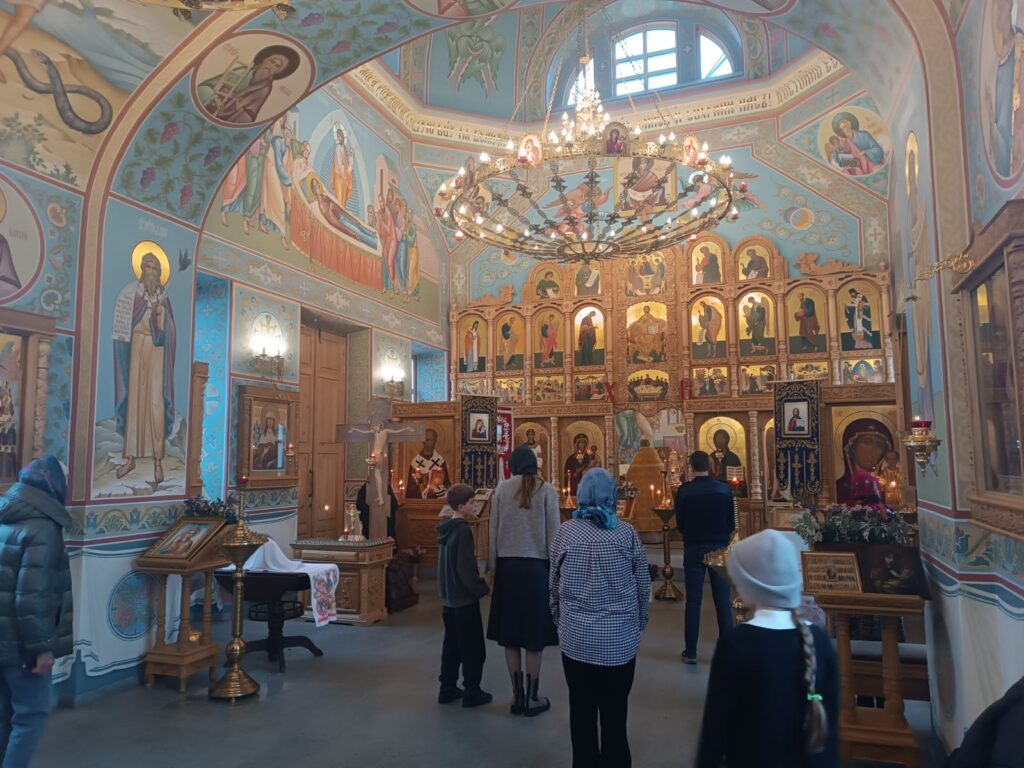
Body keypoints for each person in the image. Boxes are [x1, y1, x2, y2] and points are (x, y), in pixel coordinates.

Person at [696, 529, 839, 767]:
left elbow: (715, 730)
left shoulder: (736, 645)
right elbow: (831, 730)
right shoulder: (819, 640)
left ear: (749, 586)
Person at [550, 469, 650, 768]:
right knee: (615, 715)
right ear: (612, 496)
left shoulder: (565, 533)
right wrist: (638, 623)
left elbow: (553, 586)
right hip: (618, 643)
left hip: (576, 640)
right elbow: (642, 586)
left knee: (581, 713)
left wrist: (561, 622)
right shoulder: (625, 534)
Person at [0, 456, 73, 767]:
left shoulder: (7, 513)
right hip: (22, 645)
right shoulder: (43, 526)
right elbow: (32, 597)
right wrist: (41, 649)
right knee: (33, 714)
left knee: (6, 713)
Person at [487, 446, 560, 717]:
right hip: (537, 570)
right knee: (534, 636)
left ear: (513, 465)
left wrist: (492, 569)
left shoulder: (502, 490)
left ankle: (516, 696)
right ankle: (532, 697)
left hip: (508, 569)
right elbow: (554, 535)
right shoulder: (547, 490)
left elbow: (492, 532)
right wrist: (556, 571)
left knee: (511, 636)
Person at [112, 248, 176, 486]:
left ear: (159, 273)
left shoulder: (164, 298)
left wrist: (161, 316)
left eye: (154, 268)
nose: (151, 271)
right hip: (137, 348)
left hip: (157, 351)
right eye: (147, 266)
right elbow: (121, 327)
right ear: (141, 270)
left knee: (155, 403)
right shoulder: (131, 294)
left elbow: (171, 331)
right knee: (135, 403)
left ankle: (158, 460)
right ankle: (130, 458)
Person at [674, 451, 735, 664]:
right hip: (718, 548)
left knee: (693, 602)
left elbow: (680, 523)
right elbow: (731, 522)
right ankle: (727, 653)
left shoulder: (684, 491)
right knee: (722, 601)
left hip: (693, 548)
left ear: (691, 467)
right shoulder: (724, 489)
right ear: (709, 465)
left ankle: (691, 652)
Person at [436, 484, 492, 708]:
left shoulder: (446, 528)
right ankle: (472, 691)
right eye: (471, 503)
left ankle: (447, 687)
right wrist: (482, 587)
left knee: (451, 646)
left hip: (449, 600)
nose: (475, 505)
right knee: (473, 648)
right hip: (463, 600)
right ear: (460, 507)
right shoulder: (462, 531)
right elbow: (466, 569)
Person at [406, 428, 450, 500]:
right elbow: (411, 487)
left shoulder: (440, 461)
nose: (429, 442)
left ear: (435, 441)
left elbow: (446, 484)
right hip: (419, 501)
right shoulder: (416, 462)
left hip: (437, 500)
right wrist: (420, 487)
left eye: (431, 440)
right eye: (427, 439)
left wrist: (436, 490)